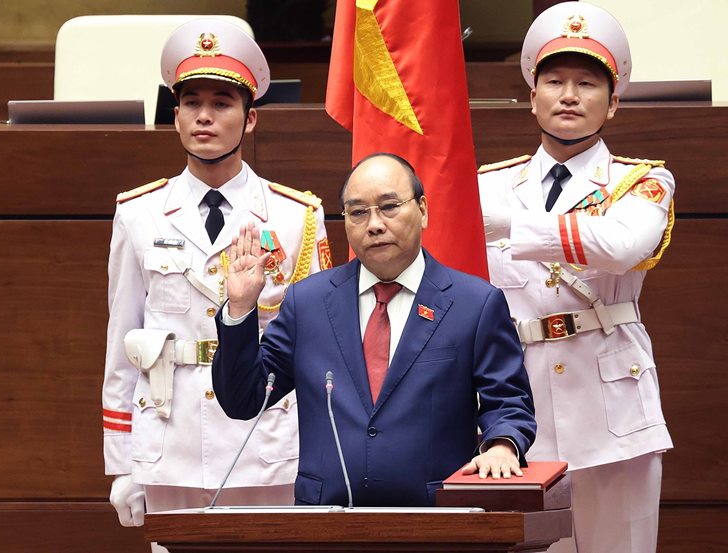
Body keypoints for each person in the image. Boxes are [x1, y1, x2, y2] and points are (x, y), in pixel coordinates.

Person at [102, 17, 331, 537]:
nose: (204, 117)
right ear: (175, 115)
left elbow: (317, 346)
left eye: (222, 104)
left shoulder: (295, 216)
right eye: (191, 103)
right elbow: (122, 340)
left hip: (265, 440)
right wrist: (122, 460)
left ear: (250, 120)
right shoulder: (138, 214)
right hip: (169, 435)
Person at [212, 152, 536, 506]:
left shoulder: (475, 303)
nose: (375, 224)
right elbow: (244, 399)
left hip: (437, 519)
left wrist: (502, 446)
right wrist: (241, 308)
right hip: (327, 520)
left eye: (390, 206)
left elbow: (508, 400)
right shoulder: (307, 303)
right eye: (358, 212)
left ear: (423, 210)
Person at [478, 3, 674, 552]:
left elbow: (621, 245)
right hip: (517, 402)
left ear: (612, 103)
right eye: (555, 81)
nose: (569, 95)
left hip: (613, 404)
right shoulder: (488, 184)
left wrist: (511, 225)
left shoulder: (643, 181)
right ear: (532, 95)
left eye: (587, 83)